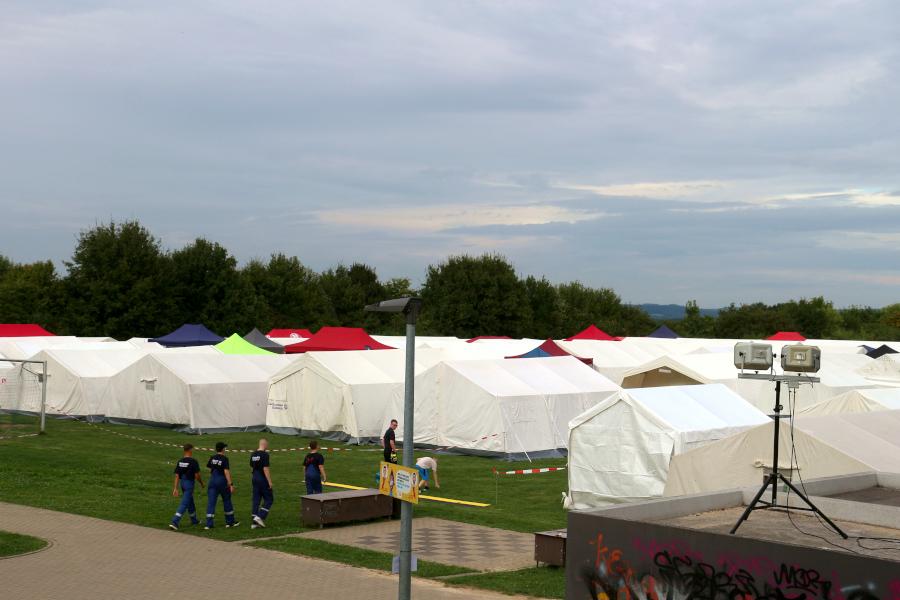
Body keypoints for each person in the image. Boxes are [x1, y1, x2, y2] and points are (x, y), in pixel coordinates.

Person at [169, 443, 204, 531]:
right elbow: (197, 475)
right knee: (184, 503)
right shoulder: (193, 461)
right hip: (189, 483)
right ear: (190, 450)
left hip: (182, 483)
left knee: (190, 501)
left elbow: (177, 475)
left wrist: (175, 488)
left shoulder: (180, 461)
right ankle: (175, 521)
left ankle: (194, 520)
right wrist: (201, 483)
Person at [205, 442, 238, 529]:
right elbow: (226, 471)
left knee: (211, 502)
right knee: (226, 500)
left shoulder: (212, 458)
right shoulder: (224, 458)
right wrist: (230, 484)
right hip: (222, 481)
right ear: (223, 449)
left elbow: (209, 468)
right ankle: (230, 522)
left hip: (212, 481)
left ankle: (209, 524)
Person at [250, 438, 273, 529]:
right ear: (265, 444)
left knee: (256, 499)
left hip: (254, 478)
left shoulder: (253, 454)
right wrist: (269, 481)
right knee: (269, 499)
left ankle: (254, 523)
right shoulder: (265, 455)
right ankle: (260, 516)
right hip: (262, 478)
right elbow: (265, 469)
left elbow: (252, 468)